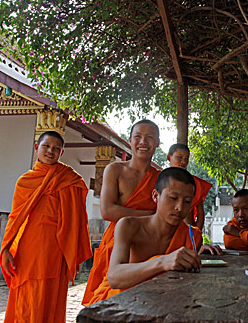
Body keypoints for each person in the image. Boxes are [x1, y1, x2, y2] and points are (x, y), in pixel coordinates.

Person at [0, 131, 91, 323]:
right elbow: (15, 218)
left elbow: (77, 218)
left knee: (50, 296)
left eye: (56, 149)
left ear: (61, 153)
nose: (51, 151)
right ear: (37, 148)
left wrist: (74, 251)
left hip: (55, 249)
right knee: (26, 297)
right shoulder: (24, 181)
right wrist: (7, 248)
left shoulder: (69, 180)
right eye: (46, 146)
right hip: (28, 249)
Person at [105, 167, 222, 298]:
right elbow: (114, 277)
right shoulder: (129, 226)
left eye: (187, 201)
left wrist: (200, 250)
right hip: (127, 300)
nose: (180, 207)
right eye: (173, 198)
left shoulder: (192, 236)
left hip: (167, 299)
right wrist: (162, 262)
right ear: (155, 196)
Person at [83, 119, 161, 306]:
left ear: (157, 143)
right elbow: (108, 211)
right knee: (109, 301)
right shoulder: (115, 170)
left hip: (148, 245)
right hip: (116, 243)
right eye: (138, 137)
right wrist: (152, 216)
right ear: (130, 140)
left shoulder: (161, 178)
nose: (143, 142)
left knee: (143, 302)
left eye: (149, 138)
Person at [166, 143, 212, 231]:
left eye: (186, 159)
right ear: (169, 158)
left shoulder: (194, 183)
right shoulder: (161, 180)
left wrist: (197, 231)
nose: (183, 162)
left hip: (188, 231)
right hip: (165, 231)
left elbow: (200, 212)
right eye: (180, 157)